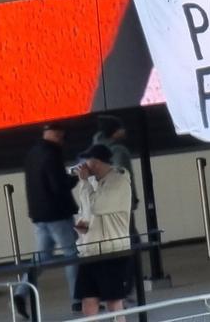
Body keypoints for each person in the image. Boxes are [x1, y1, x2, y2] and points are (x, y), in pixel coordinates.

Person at [14, 123, 80, 319]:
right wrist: (75, 178)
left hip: (38, 215)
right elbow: (58, 186)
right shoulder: (52, 154)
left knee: (42, 257)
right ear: (55, 134)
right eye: (62, 135)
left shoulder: (32, 153)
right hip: (57, 214)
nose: (63, 139)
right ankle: (77, 300)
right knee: (72, 254)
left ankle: (20, 292)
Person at [74, 144, 132, 320]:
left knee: (114, 303)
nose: (83, 165)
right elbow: (85, 211)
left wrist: (83, 181)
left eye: (87, 161)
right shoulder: (92, 183)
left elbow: (96, 206)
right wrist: (81, 225)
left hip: (112, 252)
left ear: (96, 162)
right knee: (88, 303)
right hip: (90, 251)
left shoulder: (119, 181)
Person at [93, 115, 139, 300]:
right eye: (120, 127)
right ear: (114, 132)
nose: (124, 130)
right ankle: (125, 288)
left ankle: (114, 287)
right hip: (121, 206)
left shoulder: (95, 148)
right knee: (130, 245)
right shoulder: (118, 151)